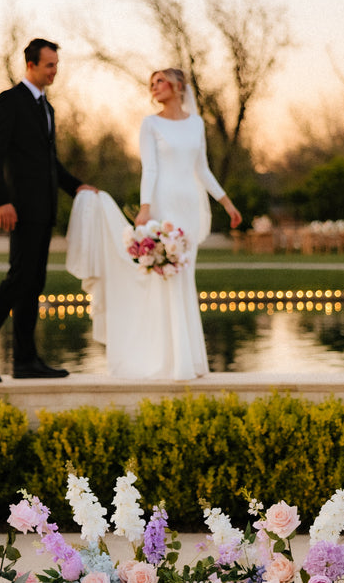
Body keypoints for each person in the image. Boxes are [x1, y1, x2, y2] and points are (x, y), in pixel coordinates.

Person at [66, 68, 241, 379]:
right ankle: (170, 361)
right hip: (164, 205)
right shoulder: (150, 124)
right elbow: (150, 169)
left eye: (160, 81)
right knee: (167, 276)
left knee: (185, 276)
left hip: (188, 205)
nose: (154, 87)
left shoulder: (196, 123)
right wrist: (146, 208)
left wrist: (227, 204)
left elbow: (202, 168)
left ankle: (190, 360)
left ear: (177, 85)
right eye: (152, 83)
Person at [0, 38, 94, 383]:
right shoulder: (9, 101)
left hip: (44, 209)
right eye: (49, 65)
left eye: (56, 65)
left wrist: (76, 186)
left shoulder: (47, 109)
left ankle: (26, 361)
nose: (54, 70)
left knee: (33, 283)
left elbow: (50, 163)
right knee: (18, 278)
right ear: (31, 65)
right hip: (19, 208)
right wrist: (1, 201)